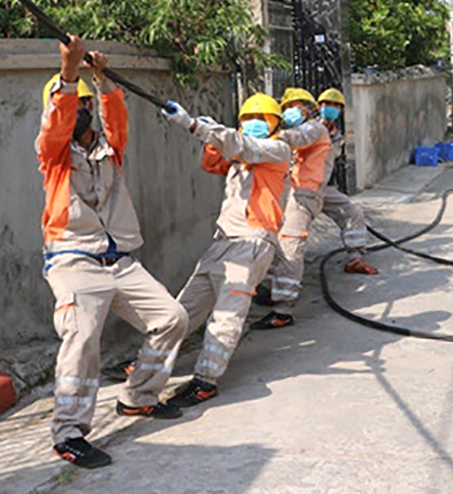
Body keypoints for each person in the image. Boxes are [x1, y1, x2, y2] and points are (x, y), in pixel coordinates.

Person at [38, 38, 188, 469]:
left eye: (84, 103)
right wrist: (68, 76)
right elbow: (55, 125)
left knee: (171, 319)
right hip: (73, 260)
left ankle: (138, 395)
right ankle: (68, 432)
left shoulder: (109, 151)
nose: (79, 109)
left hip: (120, 261)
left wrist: (103, 82)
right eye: (73, 104)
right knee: (82, 337)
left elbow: (116, 121)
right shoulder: (53, 156)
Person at [161, 93, 292, 406]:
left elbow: (243, 145)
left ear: (275, 123)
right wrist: (211, 140)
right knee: (183, 309)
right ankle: (149, 362)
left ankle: (206, 380)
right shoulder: (240, 156)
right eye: (248, 118)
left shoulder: (277, 149)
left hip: (252, 242)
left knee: (226, 316)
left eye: (263, 119)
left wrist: (195, 125)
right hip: (223, 241)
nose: (255, 124)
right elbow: (213, 162)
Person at [251, 88, 331, 330]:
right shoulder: (303, 130)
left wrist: (263, 131)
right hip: (293, 194)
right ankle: (274, 292)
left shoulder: (314, 128)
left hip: (304, 195)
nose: (290, 111)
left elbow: (294, 139)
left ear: (307, 108)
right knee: (276, 244)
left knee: (290, 246)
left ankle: (283, 310)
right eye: (286, 107)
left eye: (295, 106)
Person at [317, 88, 378, 276]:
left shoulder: (337, 135)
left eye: (335, 106)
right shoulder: (308, 129)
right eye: (327, 104)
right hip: (299, 189)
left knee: (352, 213)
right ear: (319, 106)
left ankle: (355, 258)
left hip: (323, 187)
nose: (330, 109)